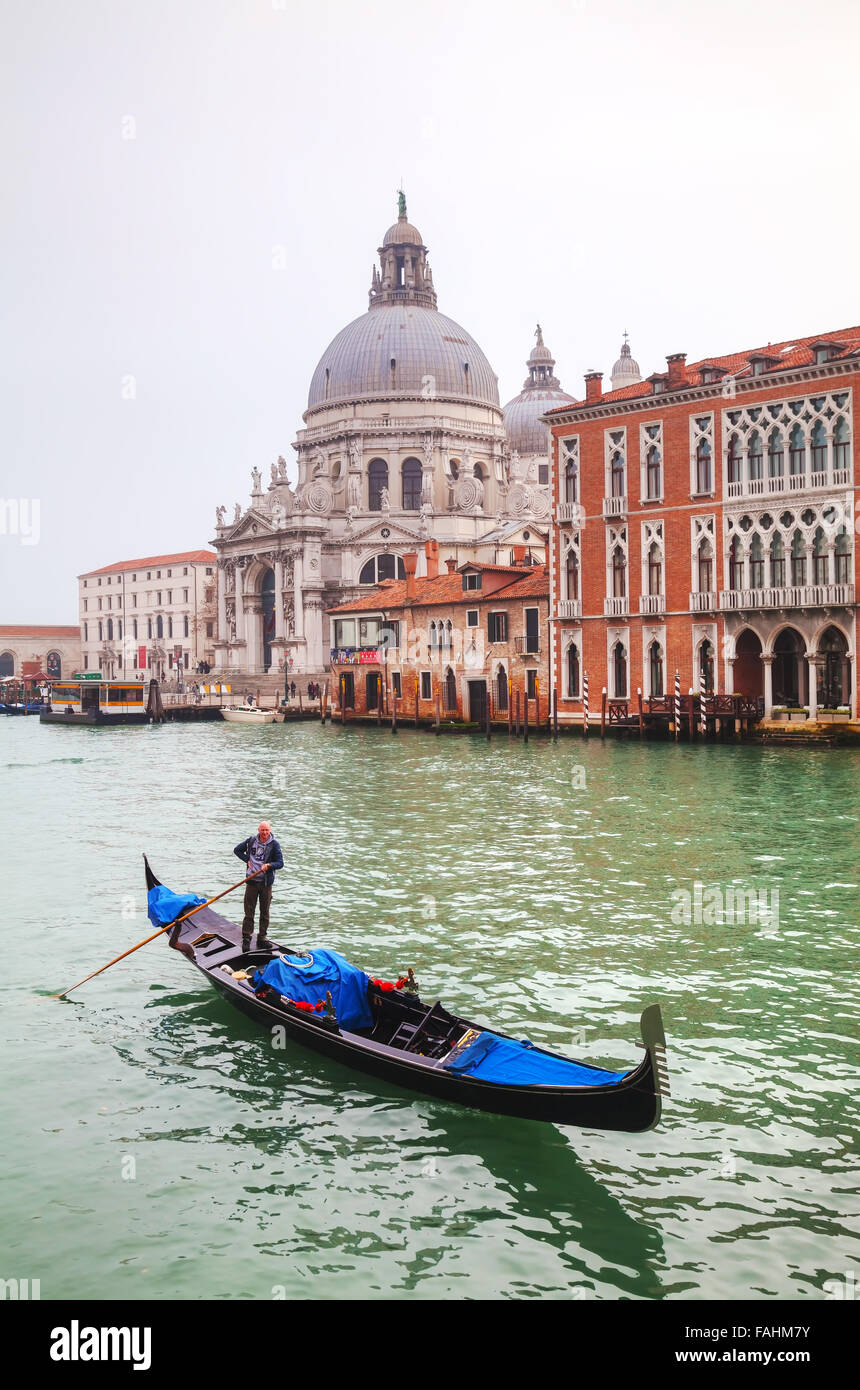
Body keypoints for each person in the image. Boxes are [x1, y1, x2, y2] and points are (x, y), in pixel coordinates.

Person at [234, 821, 284, 953]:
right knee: (249, 911)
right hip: (251, 881)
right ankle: (246, 937)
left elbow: (280, 863)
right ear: (258, 830)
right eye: (262, 830)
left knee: (265, 911)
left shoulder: (274, 844)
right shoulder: (251, 841)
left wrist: (269, 865)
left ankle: (262, 937)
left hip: (266, 883)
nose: (265, 833)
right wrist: (247, 860)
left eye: (267, 830)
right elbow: (237, 850)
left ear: (270, 830)